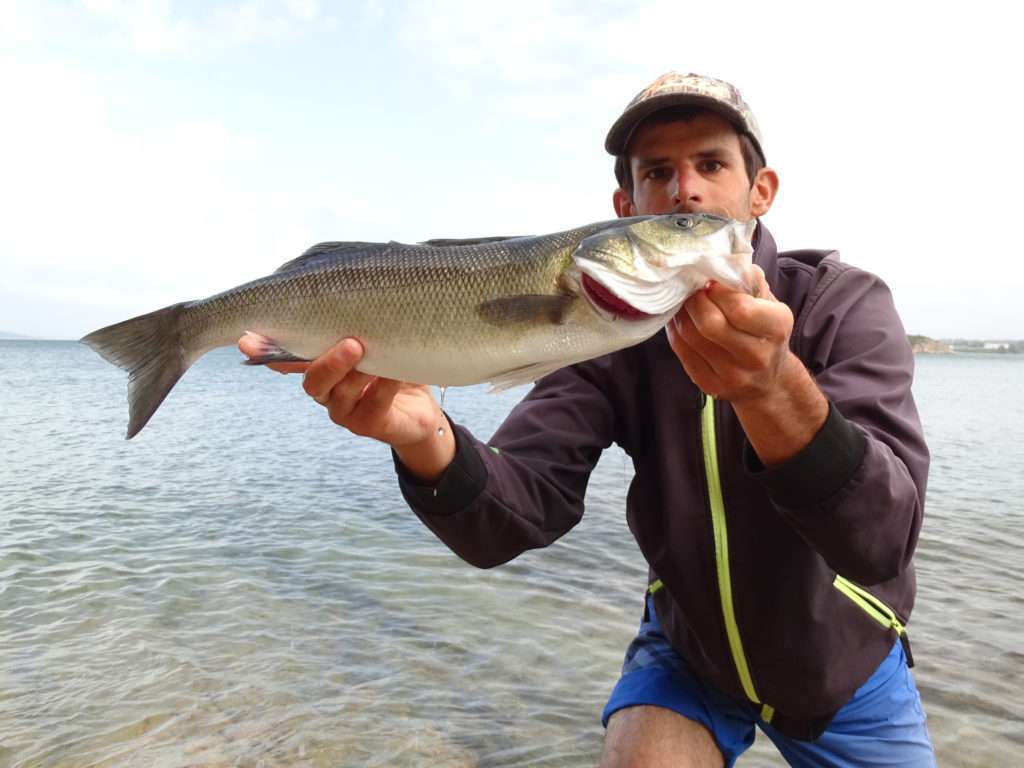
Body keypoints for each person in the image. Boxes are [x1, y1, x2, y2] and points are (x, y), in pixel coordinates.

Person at [240, 72, 935, 767]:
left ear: (762, 190)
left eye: (712, 164)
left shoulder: (846, 305)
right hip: (690, 649)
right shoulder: (604, 334)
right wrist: (429, 440)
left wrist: (773, 390)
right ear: (625, 205)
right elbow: (519, 510)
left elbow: (882, 538)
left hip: (844, 665)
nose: (685, 190)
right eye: (658, 173)